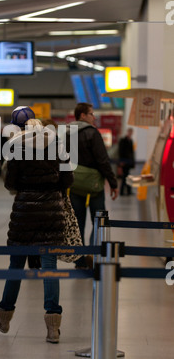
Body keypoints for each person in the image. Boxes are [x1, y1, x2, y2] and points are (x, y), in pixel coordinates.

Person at [0, 106, 74, 343]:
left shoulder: (16, 146)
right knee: (49, 267)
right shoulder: (57, 142)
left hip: (24, 212)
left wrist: (24, 190)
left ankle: (3, 318)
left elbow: (10, 183)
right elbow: (68, 178)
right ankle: (53, 327)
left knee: (16, 265)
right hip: (51, 211)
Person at [66, 103, 118, 267]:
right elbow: (103, 160)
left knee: (77, 223)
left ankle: (79, 260)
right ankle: (94, 256)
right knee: (99, 222)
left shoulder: (65, 133)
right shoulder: (92, 133)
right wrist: (113, 183)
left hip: (74, 184)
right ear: (82, 115)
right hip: (94, 185)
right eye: (91, 114)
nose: (94, 117)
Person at [118, 128, 135, 196]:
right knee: (125, 177)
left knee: (127, 176)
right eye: (129, 132)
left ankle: (128, 191)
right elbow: (121, 151)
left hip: (129, 162)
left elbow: (131, 152)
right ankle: (122, 191)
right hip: (124, 161)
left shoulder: (130, 141)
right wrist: (121, 161)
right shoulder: (123, 140)